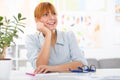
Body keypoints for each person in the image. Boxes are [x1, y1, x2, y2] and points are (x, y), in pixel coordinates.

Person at [25, 2, 88, 74]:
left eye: (54, 13)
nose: (52, 18)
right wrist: (48, 34)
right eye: (46, 14)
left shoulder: (68, 36)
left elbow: (81, 64)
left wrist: (51, 68)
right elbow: (40, 66)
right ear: (37, 20)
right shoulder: (31, 39)